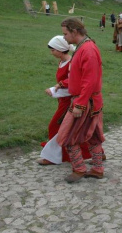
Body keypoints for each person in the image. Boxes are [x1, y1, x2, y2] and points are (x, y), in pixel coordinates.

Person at [56, 18, 105, 183]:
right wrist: (64, 84)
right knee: (92, 136)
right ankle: (97, 169)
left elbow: (89, 81)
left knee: (69, 136)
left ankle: (79, 169)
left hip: (86, 102)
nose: (64, 38)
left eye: (65, 34)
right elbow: (80, 75)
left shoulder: (88, 49)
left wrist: (80, 104)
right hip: (87, 100)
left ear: (74, 32)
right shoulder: (83, 47)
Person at [38, 36, 91, 165]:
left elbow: (74, 81)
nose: (52, 53)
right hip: (63, 100)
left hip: (70, 101)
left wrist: (56, 88)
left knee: (55, 126)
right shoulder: (62, 62)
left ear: (60, 50)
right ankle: (94, 153)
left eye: (53, 50)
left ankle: (52, 156)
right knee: (73, 129)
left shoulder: (71, 63)